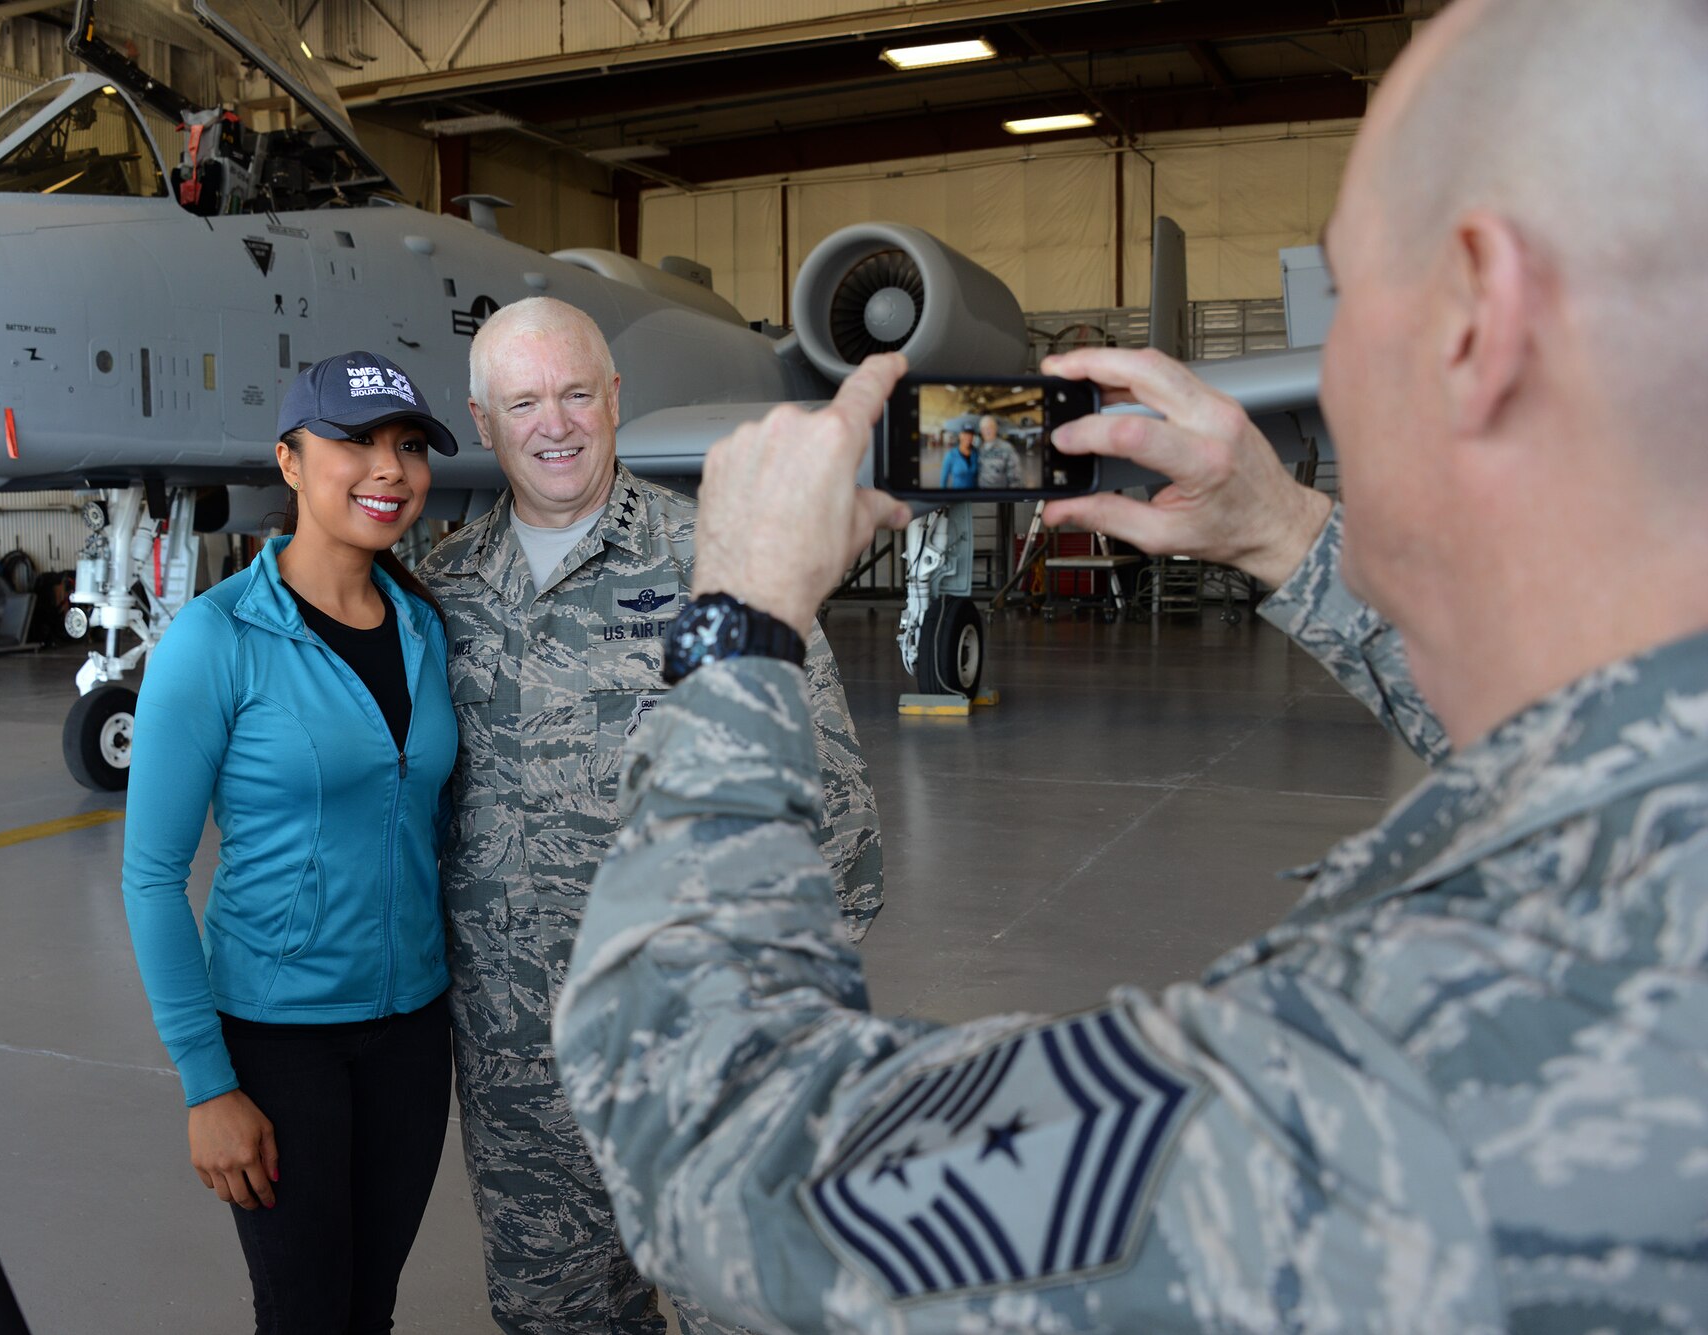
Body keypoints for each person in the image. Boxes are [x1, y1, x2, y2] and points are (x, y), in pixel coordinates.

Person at [553, 0, 1708, 1328]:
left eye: (1350, 292)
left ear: (1473, 317)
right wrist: (1283, 530)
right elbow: (1578, 733)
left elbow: (732, 1155)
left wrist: (742, 615)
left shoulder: (1419, 1078)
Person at [416, 295, 884, 1334]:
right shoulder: (439, 591)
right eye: (524, 401)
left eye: (577, 393)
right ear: (483, 422)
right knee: (557, 1316)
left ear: (615, 398)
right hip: (517, 1073)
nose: (556, 423)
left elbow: (837, 820)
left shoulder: (719, 564)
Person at [121, 351, 461, 1333]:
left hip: (410, 1036)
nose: (387, 470)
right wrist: (206, 1083)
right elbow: (150, 879)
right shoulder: (217, 637)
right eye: (353, 442)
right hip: (278, 1043)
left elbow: (429, 822)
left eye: (406, 446)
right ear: (289, 460)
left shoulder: (422, 628)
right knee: (306, 1314)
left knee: (369, 1307)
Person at [973, 412, 1020, 488]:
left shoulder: (1007, 448)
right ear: (981, 431)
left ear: (995, 429)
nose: (987, 431)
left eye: (990, 427)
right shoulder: (979, 448)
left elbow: (1015, 478)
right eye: (984, 428)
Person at [937, 424, 979, 489]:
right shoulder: (951, 455)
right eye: (965, 434)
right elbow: (943, 479)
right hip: (958, 495)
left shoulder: (976, 453)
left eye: (971, 434)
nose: (968, 437)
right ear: (960, 435)